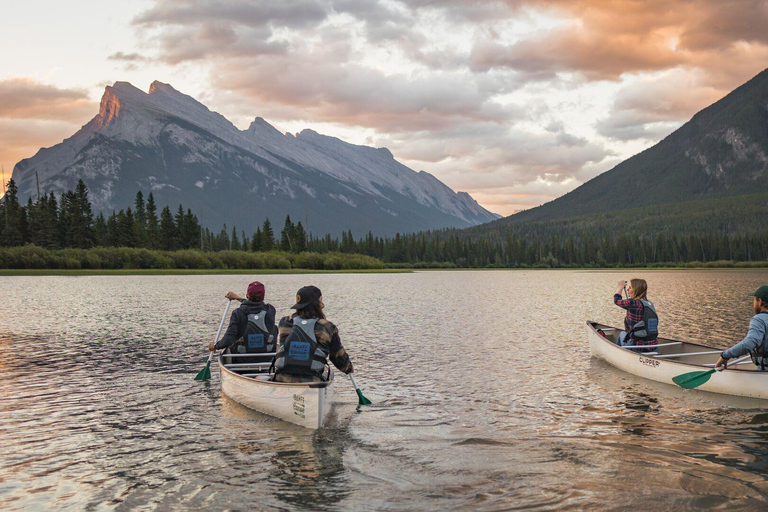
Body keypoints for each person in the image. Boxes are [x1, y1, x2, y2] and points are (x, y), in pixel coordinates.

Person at [273, 285, 354, 383]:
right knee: (329, 372)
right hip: (313, 380)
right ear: (316, 304)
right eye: (321, 301)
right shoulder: (327, 327)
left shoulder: (285, 322)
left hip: (282, 379)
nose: (323, 305)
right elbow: (337, 356)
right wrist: (348, 368)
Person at [208, 281, 278, 358]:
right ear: (263, 296)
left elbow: (229, 337)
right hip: (266, 357)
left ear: (247, 295)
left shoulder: (238, 313)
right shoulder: (271, 310)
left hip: (243, 358)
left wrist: (216, 346)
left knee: (233, 343)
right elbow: (256, 306)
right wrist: (239, 299)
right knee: (274, 328)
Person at [715, 285, 768, 370]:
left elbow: (748, 344)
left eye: (754, 300)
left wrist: (725, 356)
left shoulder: (759, 319)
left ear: (760, 301)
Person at [613, 278, 659, 351]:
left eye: (630, 288)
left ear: (636, 290)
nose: (627, 290)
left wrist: (620, 287)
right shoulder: (649, 304)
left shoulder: (632, 303)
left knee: (622, 334)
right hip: (653, 347)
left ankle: (617, 355)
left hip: (637, 347)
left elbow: (616, 300)